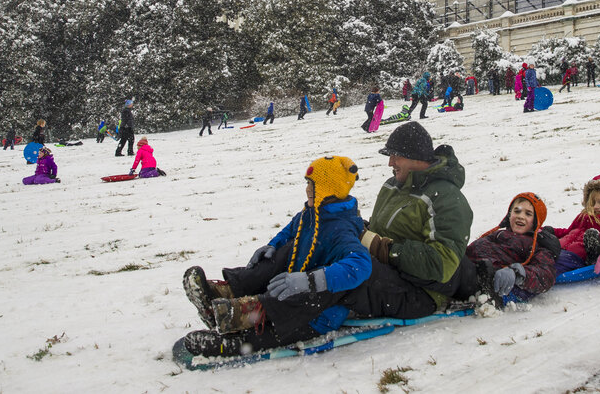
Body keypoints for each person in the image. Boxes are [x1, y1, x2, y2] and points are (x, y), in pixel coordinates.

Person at [180, 156, 371, 357]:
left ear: (329, 189)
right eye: (307, 183)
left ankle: (234, 339)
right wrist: (272, 245)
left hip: (319, 313)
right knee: (278, 259)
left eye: (312, 185)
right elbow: (291, 231)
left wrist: (311, 281)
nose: (307, 189)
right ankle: (223, 297)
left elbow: (361, 264)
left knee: (282, 317)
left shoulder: (340, 227)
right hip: (294, 292)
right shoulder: (312, 213)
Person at [340, 121, 474, 321]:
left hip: (419, 293)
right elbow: (379, 231)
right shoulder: (393, 186)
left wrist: (384, 249)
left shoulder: (446, 198)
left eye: (396, 155)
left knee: (338, 282)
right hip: (383, 270)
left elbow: (442, 264)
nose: (390, 163)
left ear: (415, 156)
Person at [466, 193, 559, 308]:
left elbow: (545, 274)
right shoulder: (498, 233)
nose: (521, 216)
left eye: (528, 214)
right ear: (509, 215)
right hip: (468, 264)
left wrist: (518, 273)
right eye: (517, 211)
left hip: (487, 278)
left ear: (535, 222)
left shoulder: (536, 246)